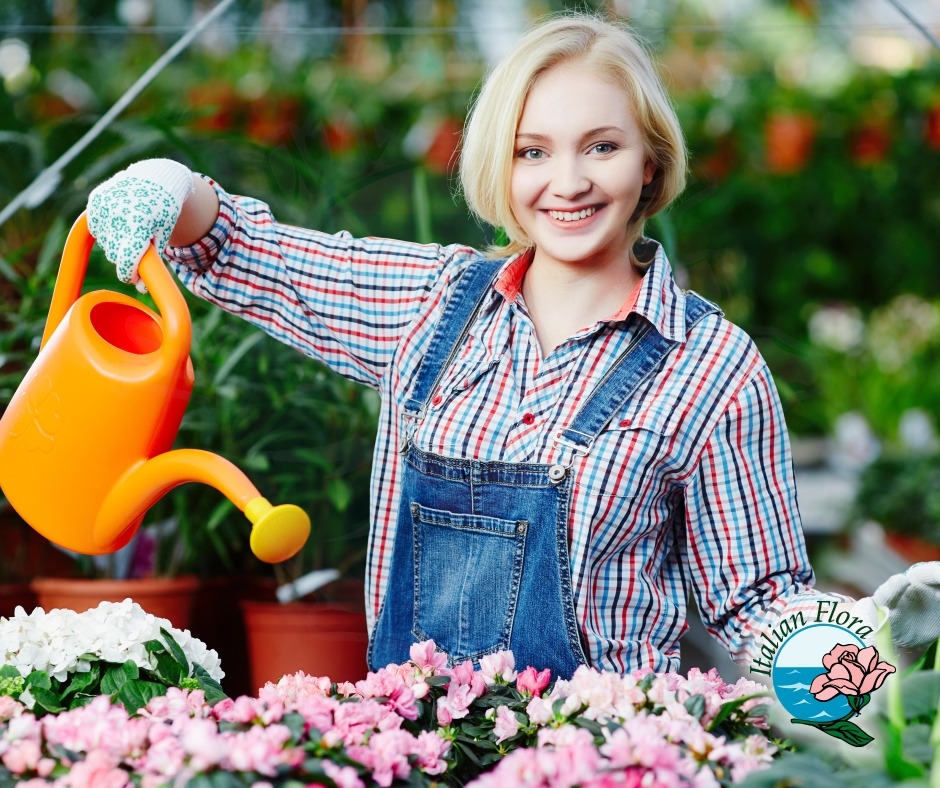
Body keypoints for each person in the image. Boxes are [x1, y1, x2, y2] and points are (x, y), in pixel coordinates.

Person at [85, 13, 940, 678]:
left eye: (601, 147)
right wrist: (174, 187)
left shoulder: (710, 368)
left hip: (602, 761)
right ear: (505, 162)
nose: (566, 182)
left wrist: (868, 660)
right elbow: (260, 257)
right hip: (409, 751)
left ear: (650, 161)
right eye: (535, 151)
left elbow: (756, 605)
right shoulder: (431, 305)